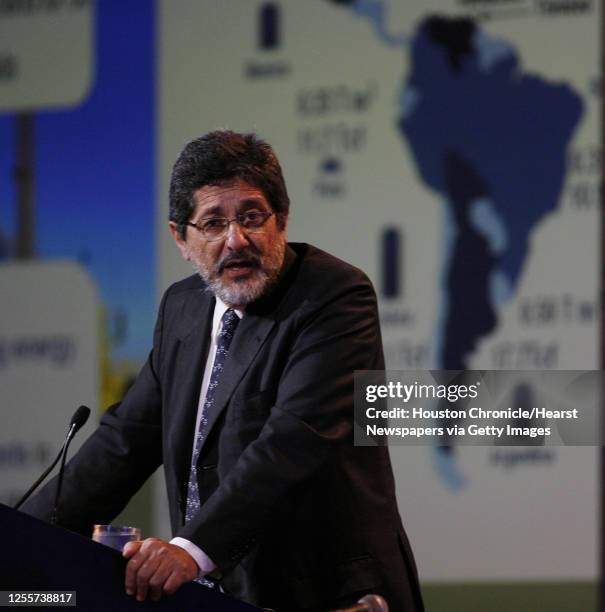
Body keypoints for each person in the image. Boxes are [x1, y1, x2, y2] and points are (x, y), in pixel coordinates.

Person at [23, 130, 424, 612]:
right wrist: (21, 540)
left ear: (282, 220)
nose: (237, 240)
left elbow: (292, 442)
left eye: (252, 216)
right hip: (226, 597)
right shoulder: (183, 309)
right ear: (182, 239)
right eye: (212, 222)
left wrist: (189, 552)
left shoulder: (333, 297)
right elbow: (124, 443)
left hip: (330, 597)